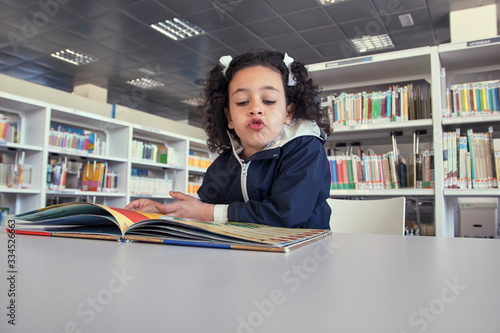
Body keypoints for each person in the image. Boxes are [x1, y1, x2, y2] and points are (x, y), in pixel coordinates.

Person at [125, 50, 332, 229]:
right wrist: (165, 210)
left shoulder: (306, 149)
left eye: (268, 100)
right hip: (244, 257)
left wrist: (205, 212)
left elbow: (285, 215)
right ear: (229, 117)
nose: (255, 109)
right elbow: (205, 209)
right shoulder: (225, 162)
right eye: (242, 102)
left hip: (300, 257)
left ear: (289, 112)